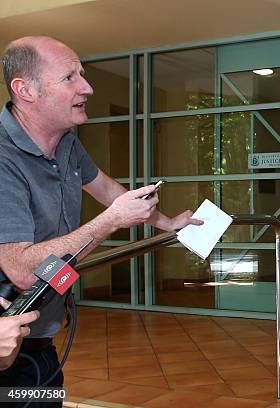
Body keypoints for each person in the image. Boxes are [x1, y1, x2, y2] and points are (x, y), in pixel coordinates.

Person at [0, 36, 202, 403]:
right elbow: (23, 271)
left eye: (83, 74)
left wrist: (166, 222)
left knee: (47, 397)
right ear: (24, 90)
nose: (87, 87)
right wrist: (110, 221)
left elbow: (108, 191)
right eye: (70, 77)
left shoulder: (67, 142)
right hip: (6, 345)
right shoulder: (2, 156)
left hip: (40, 336)